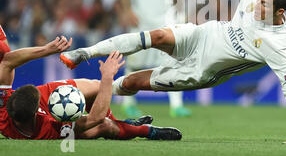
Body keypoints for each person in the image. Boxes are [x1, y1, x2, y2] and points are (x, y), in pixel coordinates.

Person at [60, 0, 286, 144]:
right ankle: (85, 53)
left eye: (263, 4)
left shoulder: (278, 45)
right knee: (157, 35)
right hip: (201, 36)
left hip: (200, 71)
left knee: (132, 83)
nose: (256, 5)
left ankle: (93, 93)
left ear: (279, 11)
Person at [0, 26, 181, 140]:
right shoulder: (49, 128)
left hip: (29, 106)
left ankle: (123, 122)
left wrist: (48, 49)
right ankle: (146, 131)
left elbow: (7, 61)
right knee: (104, 127)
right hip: (51, 125)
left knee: (95, 87)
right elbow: (96, 118)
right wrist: (108, 77)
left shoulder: (2, 109)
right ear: (35, 114)